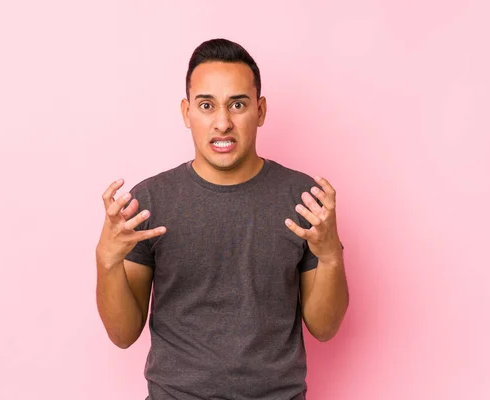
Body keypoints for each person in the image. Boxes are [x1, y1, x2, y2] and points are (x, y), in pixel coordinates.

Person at [95, 38, 349, 400]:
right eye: (206, 105)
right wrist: (106, 259)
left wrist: (330, 255)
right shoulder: (148, 202)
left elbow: (325, 328)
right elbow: (123, 335)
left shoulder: (304, 199)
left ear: (260, 111)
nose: (223, 122)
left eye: (238, 104)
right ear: (186, 113)